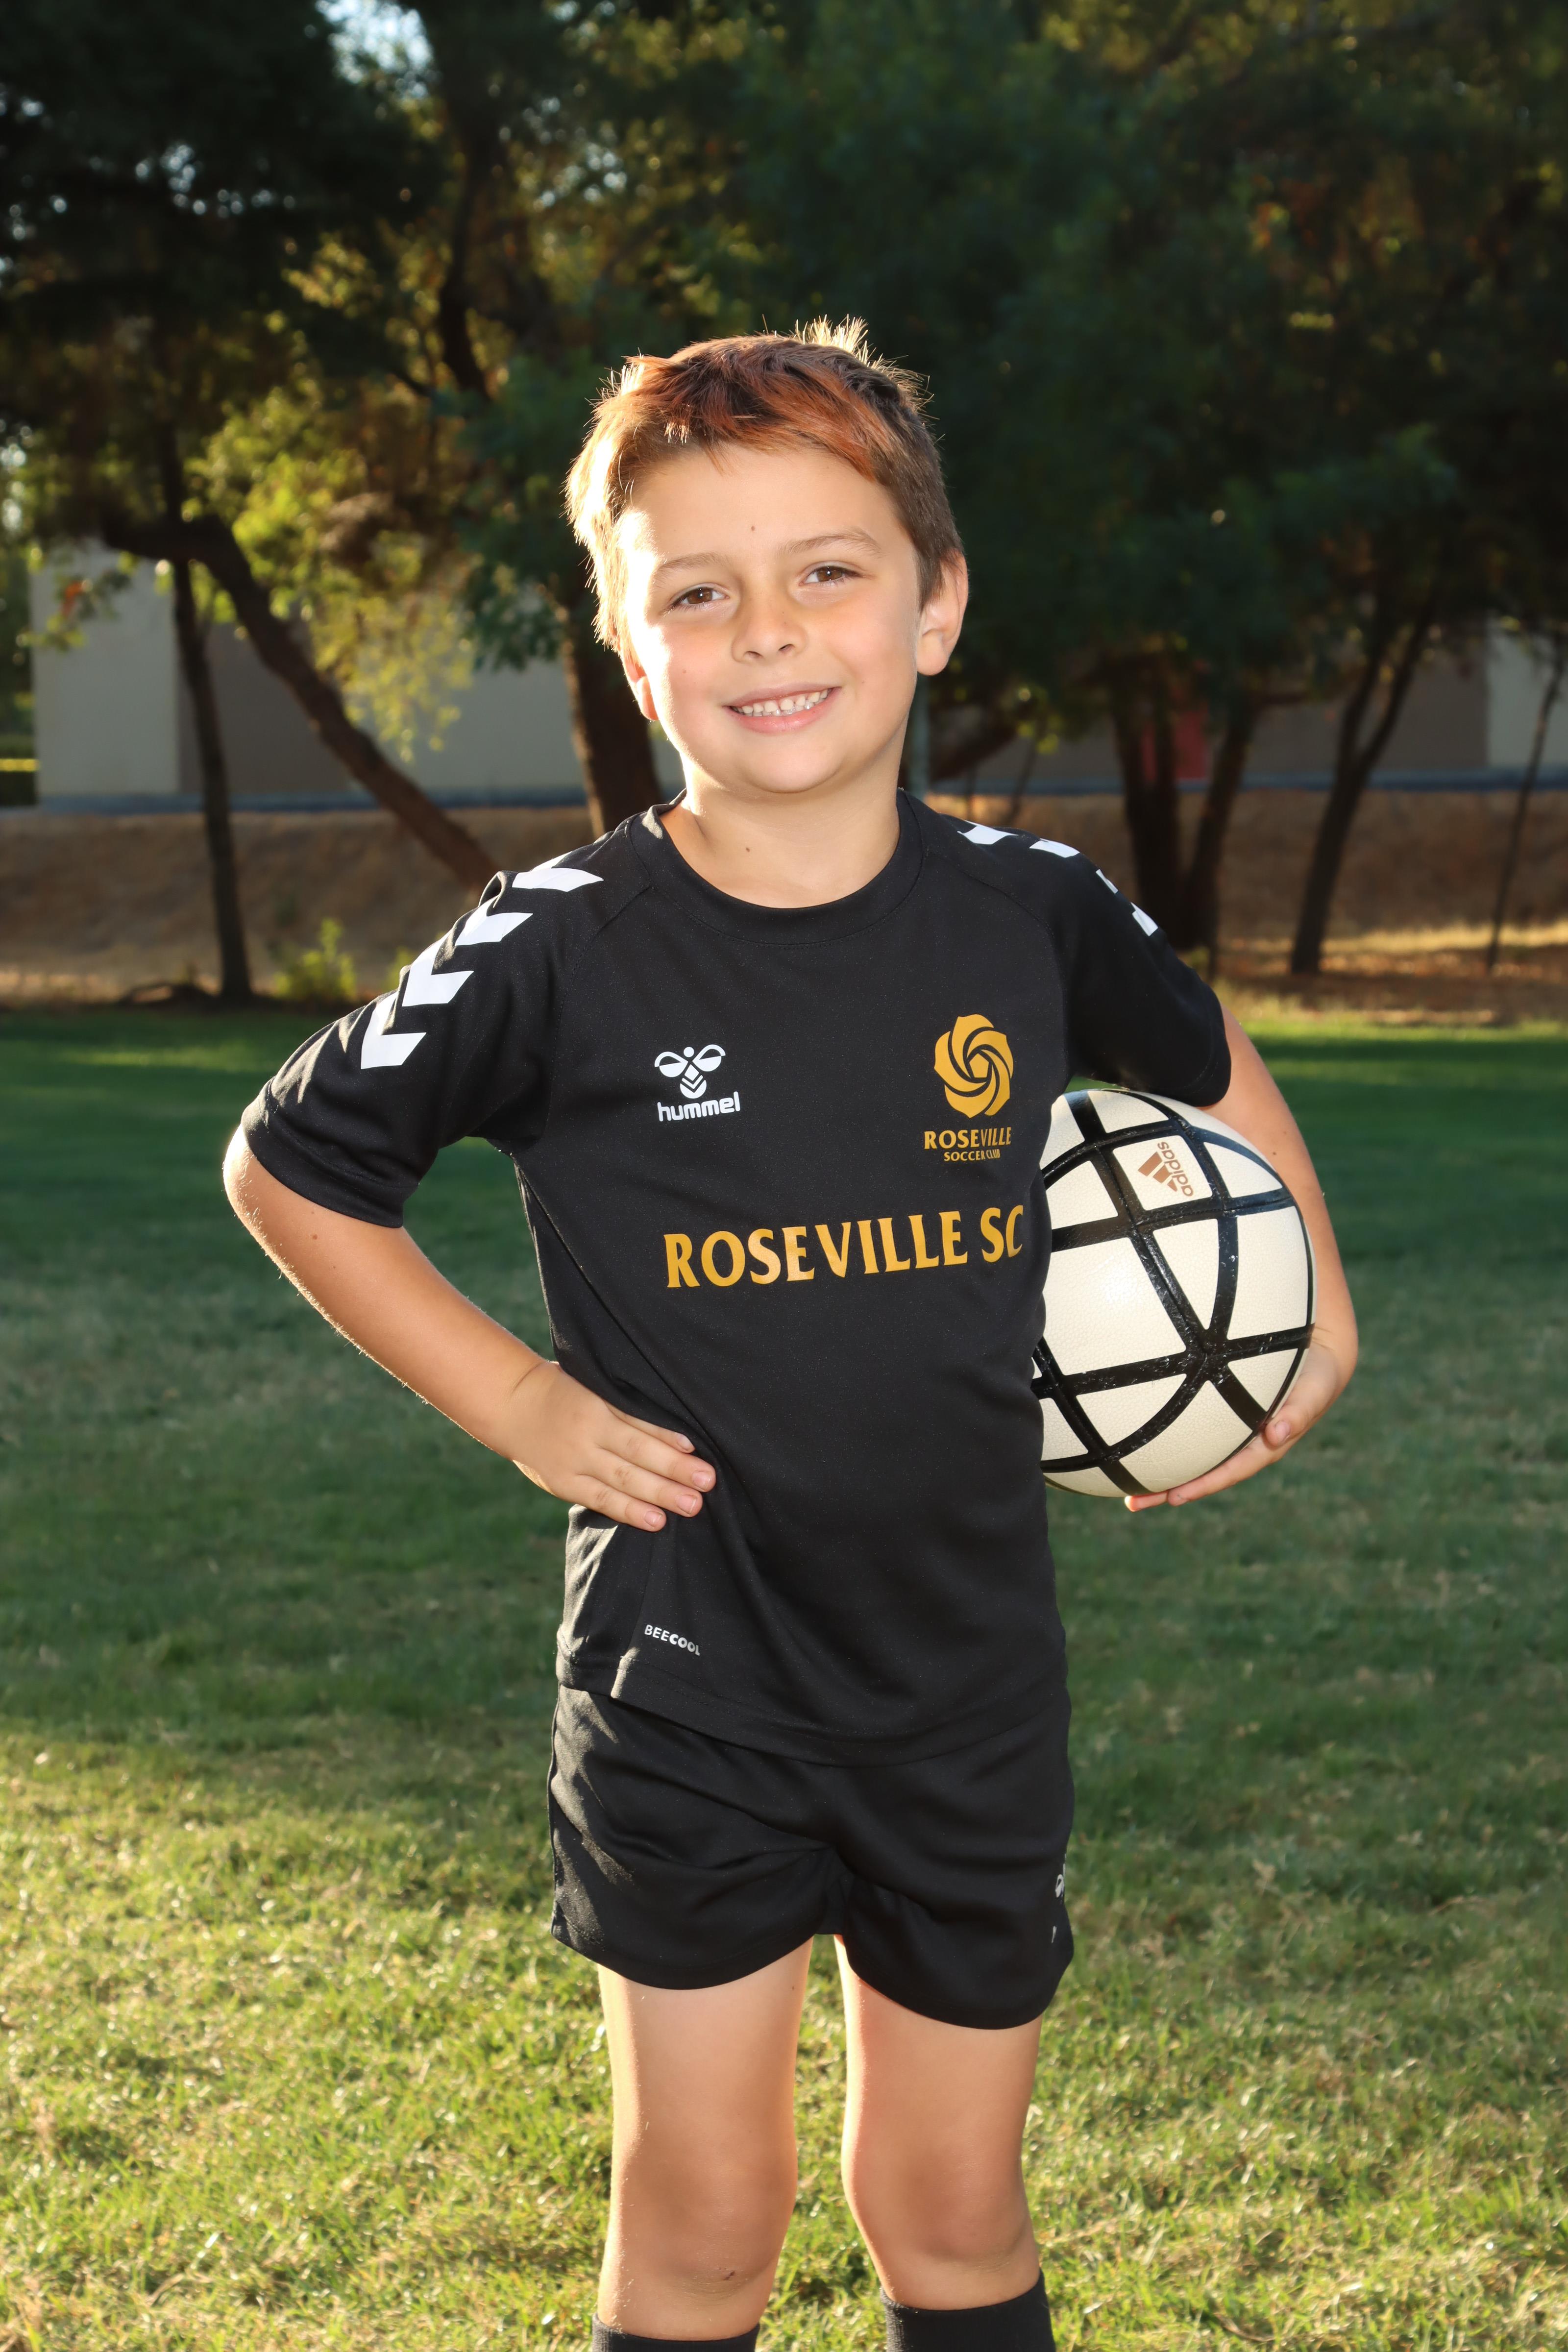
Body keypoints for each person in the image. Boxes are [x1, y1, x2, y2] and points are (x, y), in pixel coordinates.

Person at [224, 323, 1357, 2352]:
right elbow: (293, 1167)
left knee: (950, 2205)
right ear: (625, 642)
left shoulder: (1031, 910)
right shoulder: (558, 942)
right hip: (691, 1682)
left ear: (935, 608)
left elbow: (1204, 1070)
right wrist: (521, 1402)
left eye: (827, 570)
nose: (766, 629)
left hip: (965, 1680)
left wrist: (1302, 1306)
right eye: (696, 591)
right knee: (705, 2218)